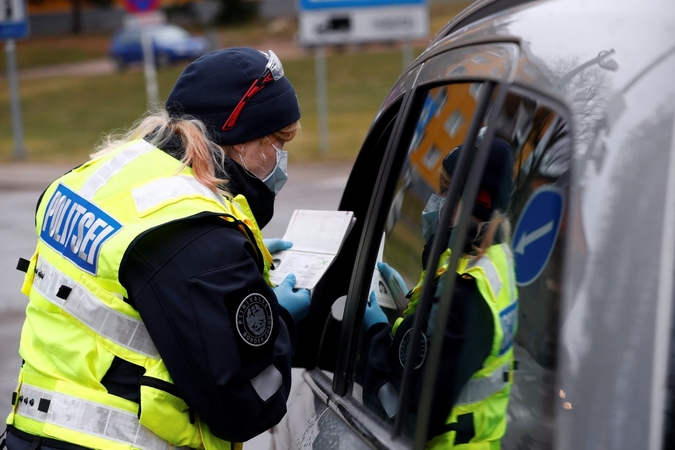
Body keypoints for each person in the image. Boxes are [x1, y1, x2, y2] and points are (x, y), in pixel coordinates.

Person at [3, 47, 311, 450]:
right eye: (275, 141)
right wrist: (276, 317)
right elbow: (247, 405)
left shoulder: (99, 176)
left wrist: (230, 270)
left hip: (33, 434)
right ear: (238, 141)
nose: (279, 158)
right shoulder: (198, 237)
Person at [360, 137, 518, 448]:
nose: (435, 199)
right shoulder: (490, 262)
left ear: (472, 201)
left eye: (445, 190)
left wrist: (375, 332)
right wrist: (411, 311)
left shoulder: (465, 296)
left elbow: (407, 414)